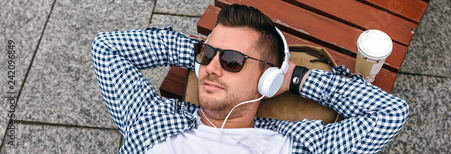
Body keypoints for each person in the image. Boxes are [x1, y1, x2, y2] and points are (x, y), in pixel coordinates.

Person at [92, 4, 408, 154]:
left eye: (232, 61)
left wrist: (296, 79)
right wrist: (198, 51)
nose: (212, 68)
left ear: (266, 79)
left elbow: (389, 114)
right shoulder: (150, 120)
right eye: (209, 55)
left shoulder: (297, 146)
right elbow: (106, 48)